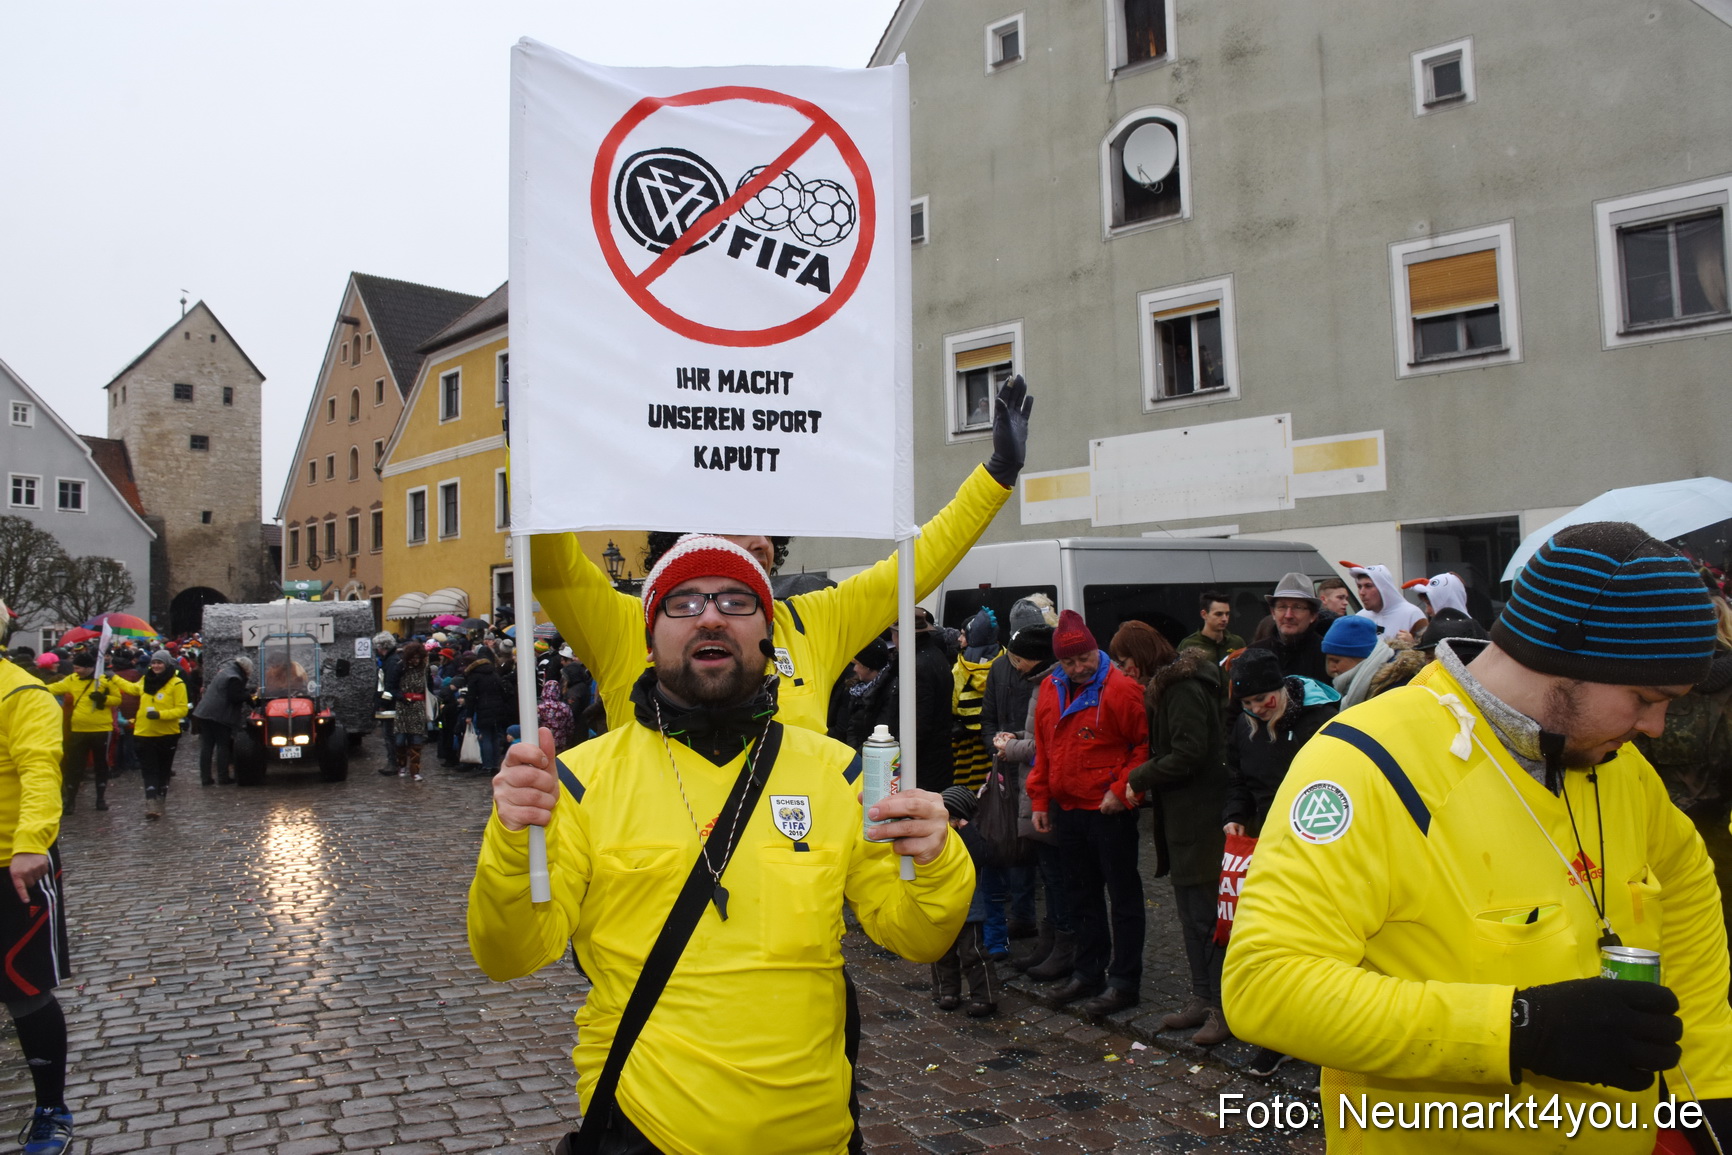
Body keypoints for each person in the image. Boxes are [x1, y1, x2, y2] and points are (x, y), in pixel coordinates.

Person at [1225, 523, 1732, 1152]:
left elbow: (1684, 887)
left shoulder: (1614, 764)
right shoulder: (1363, 764)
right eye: (1644, 697)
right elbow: (1267, 985)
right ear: (1564, 658)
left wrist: (1706, 1087)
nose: (1655, 726)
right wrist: (1519, 1030)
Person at [469, 536, 971, 1154]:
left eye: (736, 601)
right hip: (644, 1129)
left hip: (814, 1133)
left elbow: (918, 936)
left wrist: (937, 858)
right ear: (649, 640)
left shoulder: (840, 774)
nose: (710, 616)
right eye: (682, 603)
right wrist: (513, 842)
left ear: (769, 632)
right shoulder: (577, 782)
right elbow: (508, 954)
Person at [528, 376, 1033, 737]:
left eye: (768, 526)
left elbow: (916, 566)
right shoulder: (626, 624)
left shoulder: (814, 620)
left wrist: (997, 476)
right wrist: (529, 453)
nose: (760, 542)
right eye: (736, 525)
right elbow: (552, 566)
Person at [1220, 647, 1339, 1077]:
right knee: (1277, 942)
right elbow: (1238, 778)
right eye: (1248, 703)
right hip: (1270, 840)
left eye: (1263, 700)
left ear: (1280, 689)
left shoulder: (1320, 719)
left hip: (1319, 844)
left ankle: (1324, 1032)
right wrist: (1234, 815)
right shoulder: (1244, 725)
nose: (1256, 709)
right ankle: (1279, 1036)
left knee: (1318, 944)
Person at [1027, 611, 1150, 1016]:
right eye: (1069, 662)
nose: (1079, 668)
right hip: (1068, 808)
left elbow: (1144, 748)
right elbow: (1045, 748)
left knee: (1123, 897)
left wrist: (1122, 790)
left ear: (1096, 650)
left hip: (1108, 810)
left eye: (1084, 659)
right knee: (1081, 895)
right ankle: (1088, 971)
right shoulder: (1050, 687)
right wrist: (1040, 800)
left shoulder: (1122, 689)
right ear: (1059, 662)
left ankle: (1124, 980)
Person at [1121, 629, 1231, 1048]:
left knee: (1208, 917)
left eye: (1127, 660)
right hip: (1185, 816)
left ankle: (1221, 1006)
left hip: (1201, 817)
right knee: (1190, 915)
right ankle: (1202, 998)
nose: (1126, 670)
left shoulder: (1183, 687)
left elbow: (1189, 752)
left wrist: (1139, 777)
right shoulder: (1173, 684)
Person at [0, 599, 75, 1154]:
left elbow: (40, 768)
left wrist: (30, 846)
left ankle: (51, 1109)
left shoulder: (23, 693)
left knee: (24, 992)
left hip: (12, 869)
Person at [930, 784, 1001, 1016]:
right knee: (941, 951)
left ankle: (984, 996)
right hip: (939, 906)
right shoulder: (933, 835)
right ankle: (946, 991)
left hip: (969, 908)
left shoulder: (970, 837)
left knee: (973, 953)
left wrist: (965, 829)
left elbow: (982, 856)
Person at [41, 653, 123, 813]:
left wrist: (103, 699)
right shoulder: (71, 679)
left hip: (101, 729)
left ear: (88, 668)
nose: (75, 670)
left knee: (101, 765)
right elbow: (53, 688)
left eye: (78, 667)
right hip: (78, 729)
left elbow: (117, 699)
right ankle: (70, 801)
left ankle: (100, 799)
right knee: (75, 767)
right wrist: (34, 687)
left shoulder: (104, 680)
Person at [1245, 572, 1331, 683]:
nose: (1288, 615)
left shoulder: (1326, 655)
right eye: (1282, 607)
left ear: (1313, 615)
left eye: (1297, 607)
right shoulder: (1254, 653)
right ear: (1273, 613)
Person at [133, 651, 189, 819]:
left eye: (160, 663)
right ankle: (151, 802)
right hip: (144, 732)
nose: (156, 666)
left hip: (167, 734)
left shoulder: (176, 683)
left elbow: (182, 709)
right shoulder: (145, 679)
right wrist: (113, 678)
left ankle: (160, 800)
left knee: (163, 769)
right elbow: (132, 688)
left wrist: (160, 714)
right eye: (154, 663)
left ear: (167, 664)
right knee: (149, 769)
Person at [951, 609, 1001, 792]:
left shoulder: (961, 668)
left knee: (967, 785)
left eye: (963, 634)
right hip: (994, 738)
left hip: (966, 740)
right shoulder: (1003, 661)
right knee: (991, 785)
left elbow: (954, 703)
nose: (959, 639)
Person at [191, 655, 252, 787]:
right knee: (222, 746)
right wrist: (248, 695)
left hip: (204, 713)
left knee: (207, 747)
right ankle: (223, 777)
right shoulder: (234, 677)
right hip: (219, 716)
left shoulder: (226, 672)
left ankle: (205, 778)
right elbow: (235, 697)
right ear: (246, 668)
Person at [1320, 615, 1396, 710]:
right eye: (1327, 660)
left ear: (1361, 658)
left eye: (1336, 661)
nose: (1331, 668)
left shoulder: (1393, 691)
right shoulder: (1359, 688)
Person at [1343, 561, 1428, 642]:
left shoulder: (1412, 614)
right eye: (1359, 587)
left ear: (1384, 588)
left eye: (1368, 586)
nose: (1362, 592)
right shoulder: (1359, 617)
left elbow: (1429, 653)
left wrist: (1412, 644)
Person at [394, 641, 431, 781]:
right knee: (400, 740)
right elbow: (391, 686)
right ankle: (401, 765)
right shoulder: (400, 668)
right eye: (413, 658)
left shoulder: (424, 669)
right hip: (403, 707)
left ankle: (415, 770)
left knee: (416, 740)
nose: (415, 661)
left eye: (417, 658)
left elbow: (428, 688)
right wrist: (402, 697)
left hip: (418, 707)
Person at [1177, 591, 1245, 666]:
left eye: (1227, 614)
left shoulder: (1237, 642)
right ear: (1204, 614)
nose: (1224, 619)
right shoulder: (1189, 644)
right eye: (1219, 614)